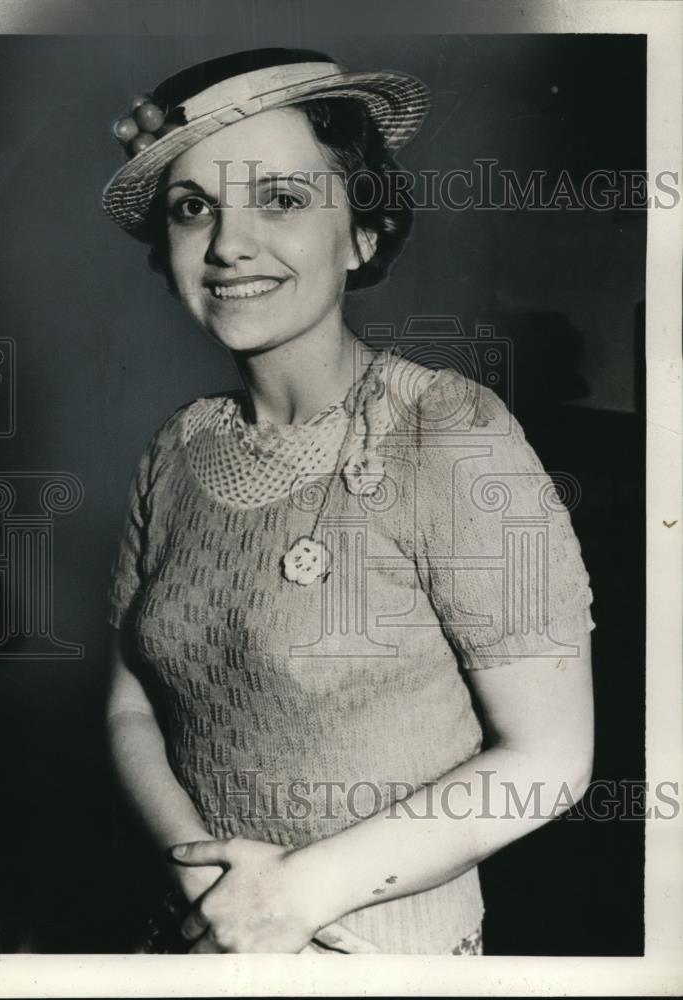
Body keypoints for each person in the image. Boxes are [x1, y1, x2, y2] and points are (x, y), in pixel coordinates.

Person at [102, 47, 596, 956]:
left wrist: (294, 896)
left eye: (281, 200)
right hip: (195, 940)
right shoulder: (174, 450)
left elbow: (553, 759)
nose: (228, 243)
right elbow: (131, 704)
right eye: (192, 207)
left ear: (363, 233)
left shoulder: (449, 433)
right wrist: (210, 884)